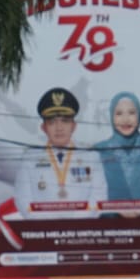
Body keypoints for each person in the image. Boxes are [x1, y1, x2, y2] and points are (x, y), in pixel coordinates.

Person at [12, 88, 107, 218]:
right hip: (43, 233)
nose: (59, 128)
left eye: (65, 121)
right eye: (52, 122)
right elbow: (23, 200)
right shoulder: (30, 159)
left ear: (74, 126)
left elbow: (98, 197)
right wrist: (51, 225)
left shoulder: (91, 156)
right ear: (43, 128)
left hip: (81, 232)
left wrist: (73, 224)